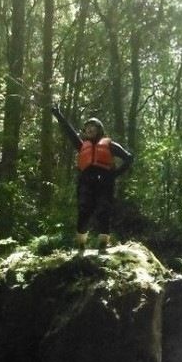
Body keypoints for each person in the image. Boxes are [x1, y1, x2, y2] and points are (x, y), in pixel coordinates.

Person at [51, 105, 134, 254]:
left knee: (104, 210)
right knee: (84, 211)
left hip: (104, 182)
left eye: (92, 127)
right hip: (86, 181)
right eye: (87, 128)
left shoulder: (110, 145)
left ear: (99, 130)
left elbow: (128, 158)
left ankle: (103, 245)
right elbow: (69, 131)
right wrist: (58, 114)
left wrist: (115, 174)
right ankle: (81, 245)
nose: (89, 130)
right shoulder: (82, 145)